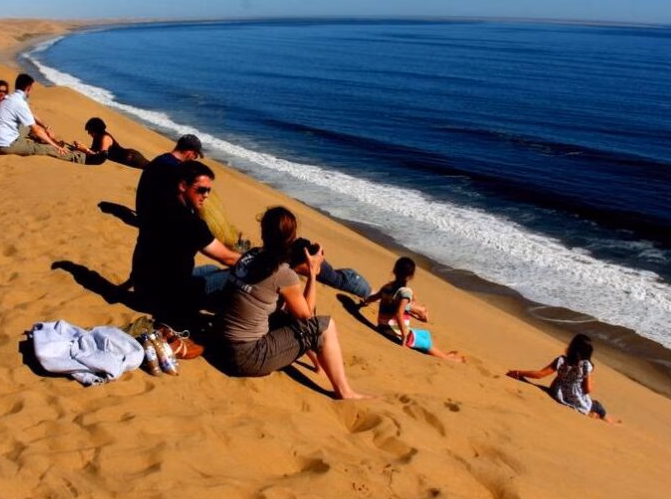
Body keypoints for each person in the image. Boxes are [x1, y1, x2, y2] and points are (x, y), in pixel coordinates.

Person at [217, 206, 369, 400]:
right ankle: (345, 392)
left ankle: (319, 364)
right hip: (246, 357)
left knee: (282, 315)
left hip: (221, 343)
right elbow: (308, 319)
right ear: (292, 237)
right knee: (326, 326)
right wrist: (313, 274)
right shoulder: (283, 274)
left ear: (263, 232)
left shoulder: (250, 255)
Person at [130, 160, 240, 325]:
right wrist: (258, 263)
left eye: (209, 190)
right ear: (182, 185)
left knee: (212, 269)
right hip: (164, 297)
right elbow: (228, 258)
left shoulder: (158, 204)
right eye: (201, 190)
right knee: (231, 275)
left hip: (143, 284)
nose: (206, 196)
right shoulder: (190, 223)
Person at [136, 134, 247, 251]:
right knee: (203, 200)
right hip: (155, 220)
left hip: (145, 212)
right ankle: (230, 242)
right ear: (190, 152)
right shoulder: (177, 170)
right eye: (195, 156)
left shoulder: (160, 160)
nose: (194, 159)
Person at [361, 257, 465, 362]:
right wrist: (404, 338)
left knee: (426, 334)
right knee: (427, 344)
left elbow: (374, 297)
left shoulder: (387, 287)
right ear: (410, 276)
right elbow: (399, 314)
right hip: (395, 332)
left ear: (394, 271)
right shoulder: (405, 293)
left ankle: (442, 354)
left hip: (383, 326)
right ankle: (448, 359)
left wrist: (365, 302)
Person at [506, 333, 620, 423]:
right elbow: (588, 389)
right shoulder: (586, 366)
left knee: (591, 405)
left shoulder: (561, 360)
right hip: (576, 398)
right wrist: (590, 381)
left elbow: (539, 375)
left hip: (557, 393)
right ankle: (609, 422)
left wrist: (519, 373)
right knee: (598, 406)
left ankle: (593, 414)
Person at [0, 73, 85, 163]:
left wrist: (45, 126)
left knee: (28, 126)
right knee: (46, 149)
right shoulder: (19, 103)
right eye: (32, 88)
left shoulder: (10, 99)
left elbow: (29, 115)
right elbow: (36, 130)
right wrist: (55, 146)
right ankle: (79, 158)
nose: (32, 90)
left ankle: (44, 140)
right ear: (28, 88)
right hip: (4, 146)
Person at [72, 117, 150, 169]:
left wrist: (85, 149)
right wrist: (80, 148)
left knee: (153, 168)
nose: (88, 133)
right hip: (128, 158)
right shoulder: (97, 137)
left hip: (131, 157)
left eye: (90, 131)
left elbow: (101, 156)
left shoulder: (105, 138)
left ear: (95, 129)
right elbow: (94, 151)